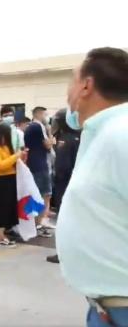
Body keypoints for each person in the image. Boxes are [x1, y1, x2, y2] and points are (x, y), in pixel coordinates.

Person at [56, 47, 128, 326]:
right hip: (106, 306)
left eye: (72, 80)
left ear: (86, 85)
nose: (68, 92)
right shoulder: (101, 132)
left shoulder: (121, 134)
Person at [46, 109, 80, 264]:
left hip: (65, 185)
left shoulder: (64, 140)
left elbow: (62, 167)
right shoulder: (80, 136)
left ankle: (63, 253)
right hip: (77, 184)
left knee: (64, 220)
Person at [0, 124, 26, 248]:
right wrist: (15, 156)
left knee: (6, 208)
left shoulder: (6, 147)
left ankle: (1, 234)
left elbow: (10, 162)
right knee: (0, 209)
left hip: (9, 179)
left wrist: (19, 157)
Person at [25, 106, 56, 236]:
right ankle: (38, 223)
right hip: (40, 165)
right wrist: (50, 134)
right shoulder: (38, 127)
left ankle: (35, 223)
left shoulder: (31, 127)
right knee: (44, 194)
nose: (46, 117)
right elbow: (48, 144)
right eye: (45, 114)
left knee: (38, 194)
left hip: (36, 163)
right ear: (39, 114)